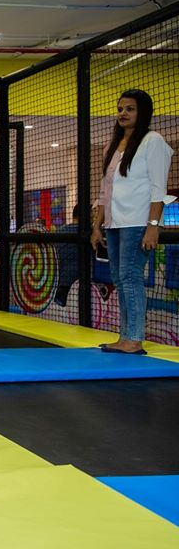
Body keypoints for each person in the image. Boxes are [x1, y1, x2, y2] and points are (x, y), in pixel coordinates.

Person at [92, 89, 175, 355]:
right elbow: (106, 189)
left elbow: (157, 187)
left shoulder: (153, 141)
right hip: (114, 224)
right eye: (120, 109)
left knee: (130, 277)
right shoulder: (112, 146)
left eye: (130, 109)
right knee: (119, 277)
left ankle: (135, 338)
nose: (123, 114)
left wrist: (153, 225)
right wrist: (97, 225)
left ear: (142, 112)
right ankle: (125, 336)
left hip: (138, 222)